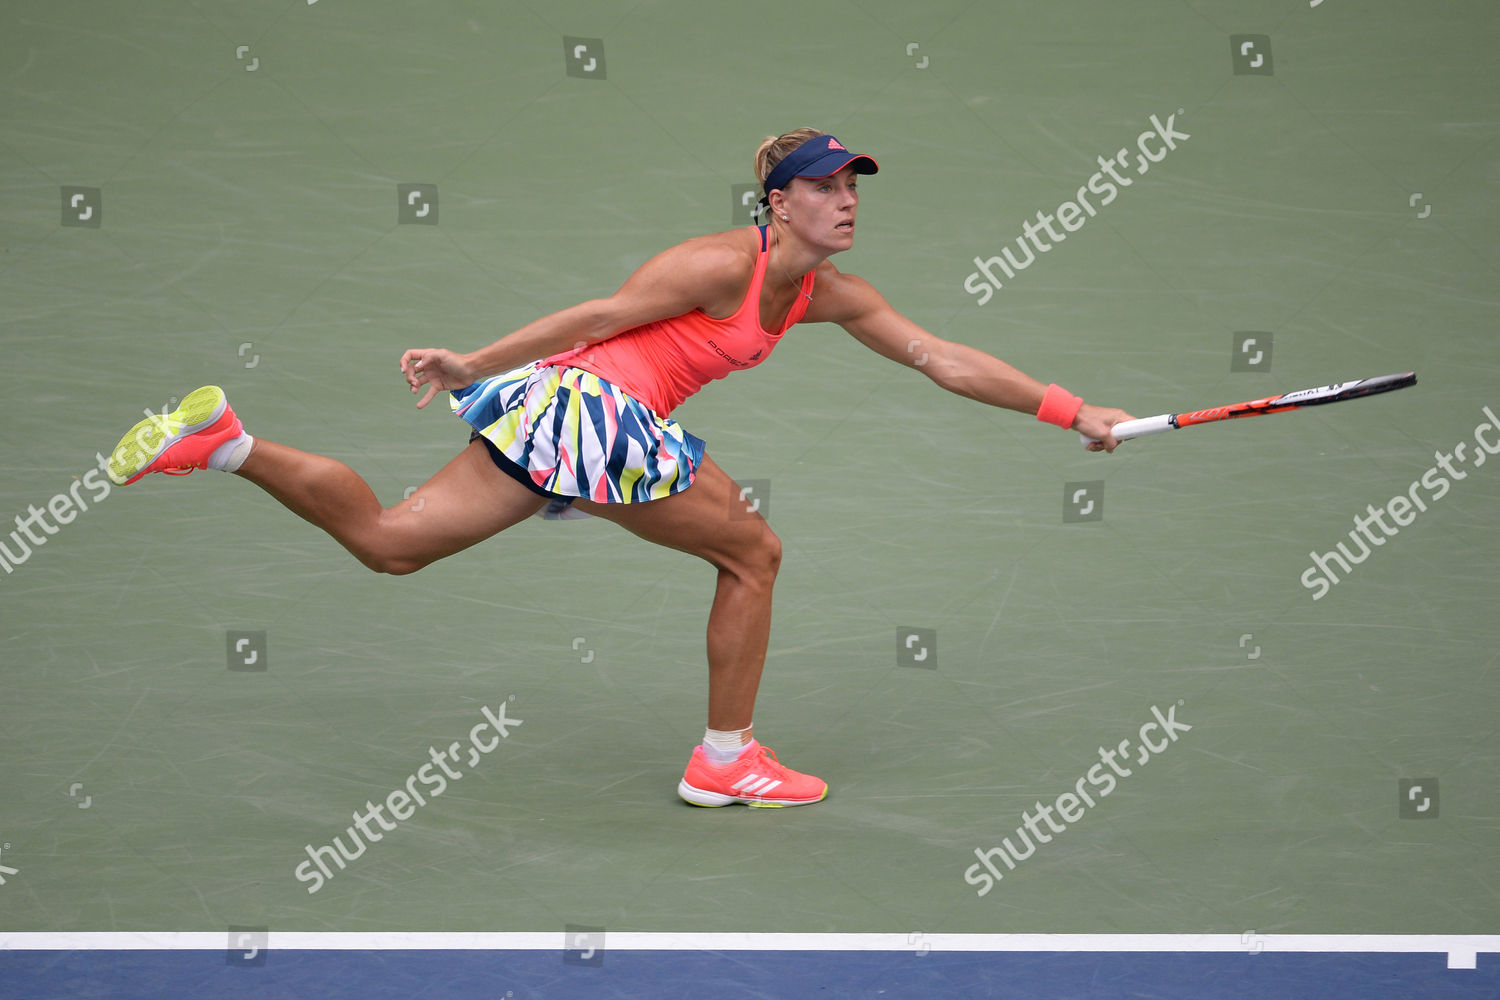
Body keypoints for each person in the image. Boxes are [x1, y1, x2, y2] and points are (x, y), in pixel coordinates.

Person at [105, 129, 1132, 808]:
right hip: (594, 413)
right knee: (756, 554)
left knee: (389, 545)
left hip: (566, 424)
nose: (845, 200)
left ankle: (224, 441)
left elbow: (942, 357)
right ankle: (725, 760)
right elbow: (601, 318)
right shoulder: (717, 263)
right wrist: (474, 360)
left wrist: (1071, 409)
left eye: (851, 184)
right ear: (775, 204)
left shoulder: (832, 297)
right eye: (823, 187)